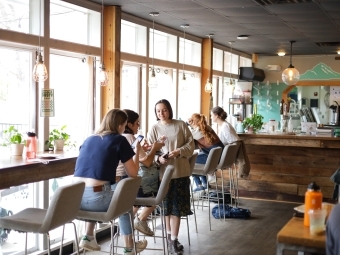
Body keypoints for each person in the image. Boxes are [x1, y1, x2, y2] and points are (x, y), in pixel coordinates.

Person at [73, 109, 147, 255]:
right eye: (124, 125)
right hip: (98, 199)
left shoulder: (89, 139)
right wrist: (137, 150)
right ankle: (130, 248)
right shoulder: (119, 140)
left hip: (76, 200)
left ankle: (88, 236)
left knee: (100, 190)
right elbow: (133, 173)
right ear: (120, 125)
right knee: (125, 204)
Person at [147, 99, 195, 255]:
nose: (161, 113)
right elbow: (149, 152)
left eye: (164, 110)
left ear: (170, 110)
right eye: (158, 111)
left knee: (177, 209)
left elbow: (191, 144)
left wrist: (179, 151)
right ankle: (170, 239)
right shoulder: (154, 128)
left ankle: (173, 240)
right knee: (167, 209)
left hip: (180, 172)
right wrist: (158, 159)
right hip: (163, 174)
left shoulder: (180, 125)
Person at [116, 109, 164, 239]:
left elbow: (140, 158)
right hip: (127, 183)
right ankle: (141, 219)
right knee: (164, 188)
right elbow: (148, 162)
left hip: (119, 184)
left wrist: (144, 150)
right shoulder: (130, 137)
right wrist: (154, 148)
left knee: (139, 191)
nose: (139, 126)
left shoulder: (120, 137)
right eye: (137, 123)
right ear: (129, 124)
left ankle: (128, 224)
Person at [187, 113, 224, 192]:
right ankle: (205, 184)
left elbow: (186, 141)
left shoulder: (194, 133)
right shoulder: (207, 127)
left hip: (214, 158)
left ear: (193, 122)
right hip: (221, 155)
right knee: (196, 158)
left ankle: (200, 185)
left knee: (189, 161)